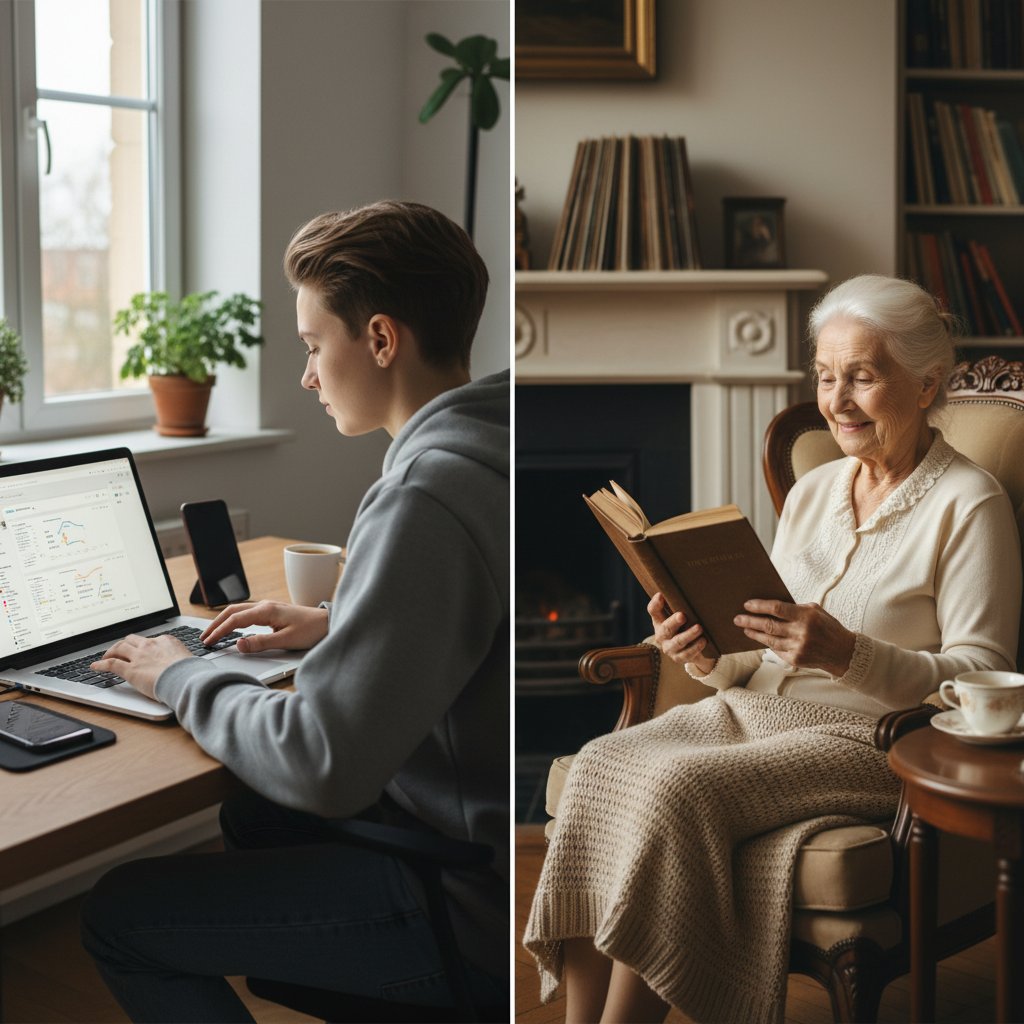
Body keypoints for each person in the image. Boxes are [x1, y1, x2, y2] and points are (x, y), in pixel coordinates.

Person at [523, 274, 1021, 1024]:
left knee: (674, 791)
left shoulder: (971, 504)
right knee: (599, 763)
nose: (837, 400)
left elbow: (982, 676)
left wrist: (848, 653)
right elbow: (757, 652)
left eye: (862, 375)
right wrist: (701, 650)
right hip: (749, 711)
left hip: (871, 742)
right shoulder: (817, 489)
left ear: (927, 385)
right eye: (825, 376)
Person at [81, 201, 510, 1021]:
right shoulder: (502, 434)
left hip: (470, 905)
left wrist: (183, 676)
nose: (308, 376)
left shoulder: (424, 491)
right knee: (253, 810)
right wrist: (343, 624)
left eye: (315, 346)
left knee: (119, 915)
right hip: (499, 846)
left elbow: (322, 761)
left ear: (381, 339)